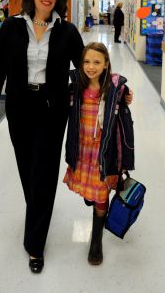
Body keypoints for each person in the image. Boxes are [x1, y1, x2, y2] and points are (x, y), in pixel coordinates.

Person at [0, 0, 84, 274]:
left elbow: (87, 68)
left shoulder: (67, 31)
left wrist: (117, 89)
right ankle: (38, 211)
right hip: (19, 107)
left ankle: (35, 245)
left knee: (45, 171)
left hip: (53, 109)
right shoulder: (11, 27)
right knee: (28, 170)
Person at [63, 42, 134, 265]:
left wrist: (124, 160)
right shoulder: (75, 86)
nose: (91, 67)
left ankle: (96, 240)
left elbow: (125, 128)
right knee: (90, 193)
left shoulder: (114, 90)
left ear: (106, 64)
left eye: (96, 62)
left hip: (103, 153)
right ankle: (90, 197)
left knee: (101, 196)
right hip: (82, 150)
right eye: (86, 61)